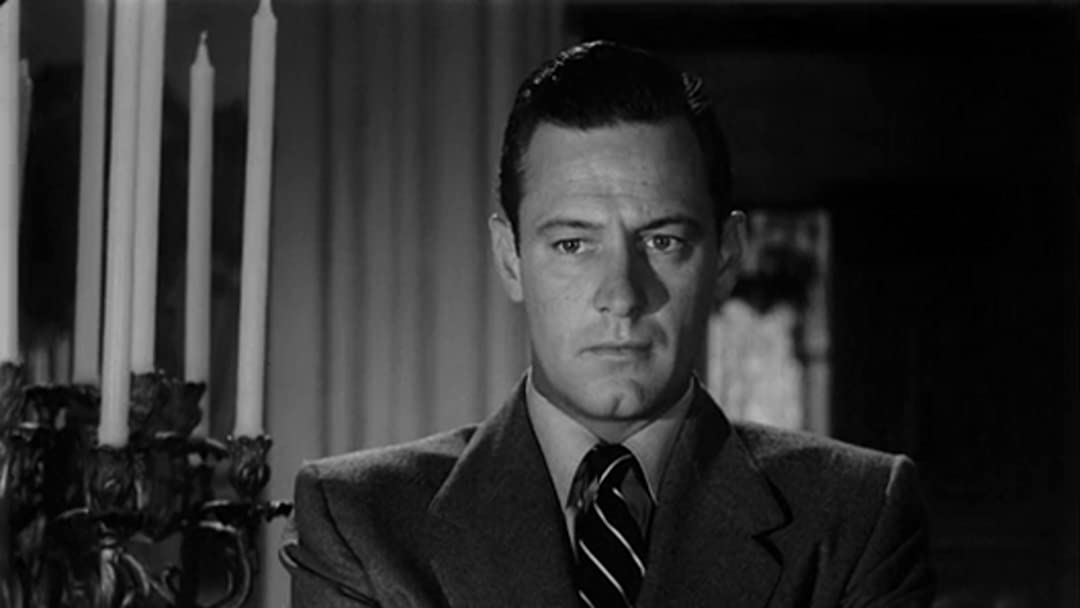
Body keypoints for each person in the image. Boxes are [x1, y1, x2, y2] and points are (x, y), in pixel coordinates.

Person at [280, 40, 934, 607]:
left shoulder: (855, 517)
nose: (621, 296)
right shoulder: (360, 521)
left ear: (726, 257)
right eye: (573, 244)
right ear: (510, 259)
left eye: (663, 242)